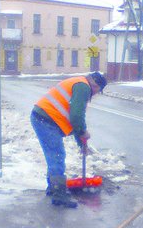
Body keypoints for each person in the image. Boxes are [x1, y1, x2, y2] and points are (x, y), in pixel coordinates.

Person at [31, 72, 107, 208]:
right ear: (96, 86)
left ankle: (53, 188)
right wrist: (83, 132)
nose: (95, 94)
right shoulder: (83, 87)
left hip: (43, 118)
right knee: (56, 155)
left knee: (54, 154)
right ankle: (59, 195)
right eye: (98, 91)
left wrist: (81, 143)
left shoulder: (79, 83)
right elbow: (77, 116)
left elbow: (75, 119)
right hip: (46, 120)